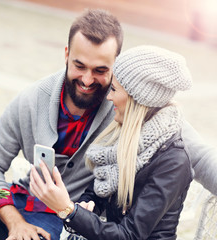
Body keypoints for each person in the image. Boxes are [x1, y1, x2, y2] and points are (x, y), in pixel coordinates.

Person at [0, 9, 217, 240]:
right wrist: (14, 220)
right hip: (18, 202)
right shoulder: (32, 100)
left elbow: (200, 157)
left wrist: (73, 209)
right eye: (79, 66)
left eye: (100, 70)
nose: (87, 80)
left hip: (64, 223)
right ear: (66, 55)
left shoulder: (133, 110)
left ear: (116, 66)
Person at [30, 45, 193, 239]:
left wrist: (68, 210)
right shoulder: (125, 134)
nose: (109, 97)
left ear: (136, 99)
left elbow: (129, 235)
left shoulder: (173, 161)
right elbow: (97, 190)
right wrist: (86, 206)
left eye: (114, 89)